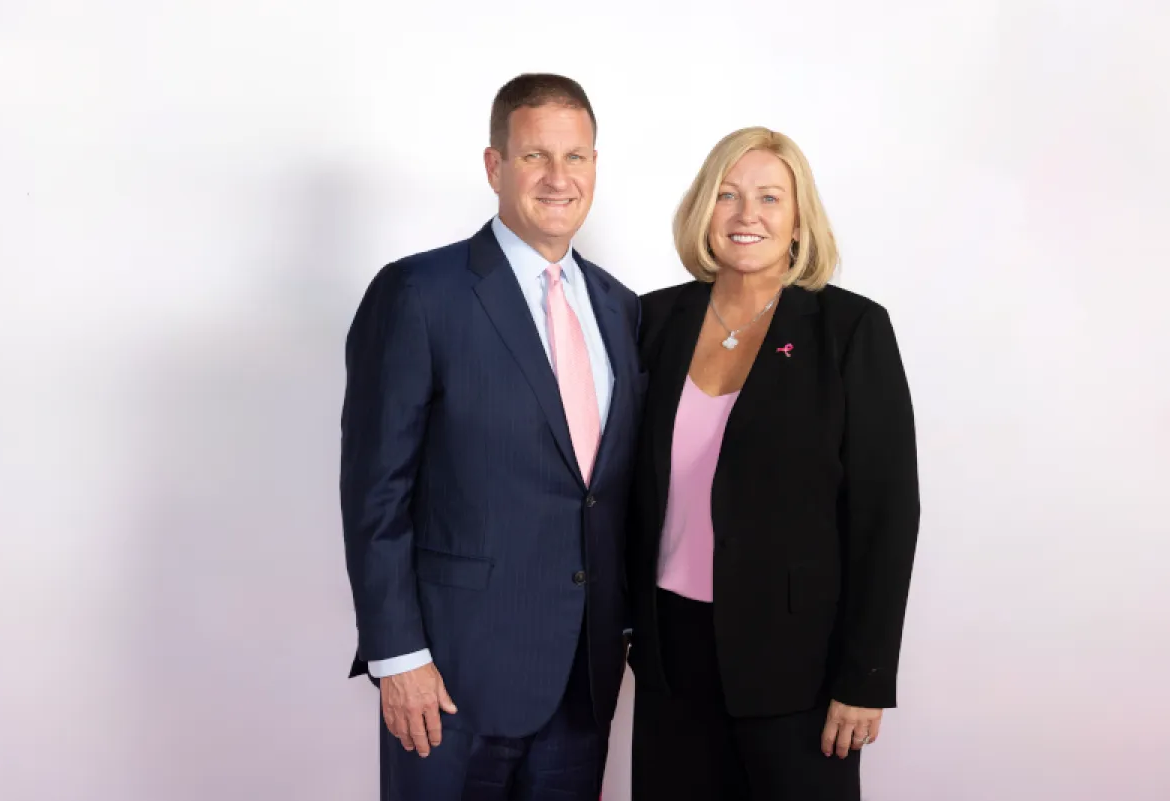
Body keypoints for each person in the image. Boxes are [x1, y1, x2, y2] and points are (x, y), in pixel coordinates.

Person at [339, 74, 644, 801]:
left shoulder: (621, 308)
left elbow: (607, 488)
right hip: (449, 681)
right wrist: (397, 655)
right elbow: (375, 492)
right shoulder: (418, 294)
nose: (558, 177)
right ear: (494, 166)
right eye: (536, 155)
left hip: (583, 680)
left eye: (576, 157)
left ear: (596, 167)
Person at [626, 126, 921, 801]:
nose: (745, 215)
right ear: (703, 210)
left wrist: (864, 678)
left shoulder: (849, 331)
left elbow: (886, 514)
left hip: (800, 672)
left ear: (797, 220)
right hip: (672, 658)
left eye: (768, 197)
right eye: (727, 195)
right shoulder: (651, 321)